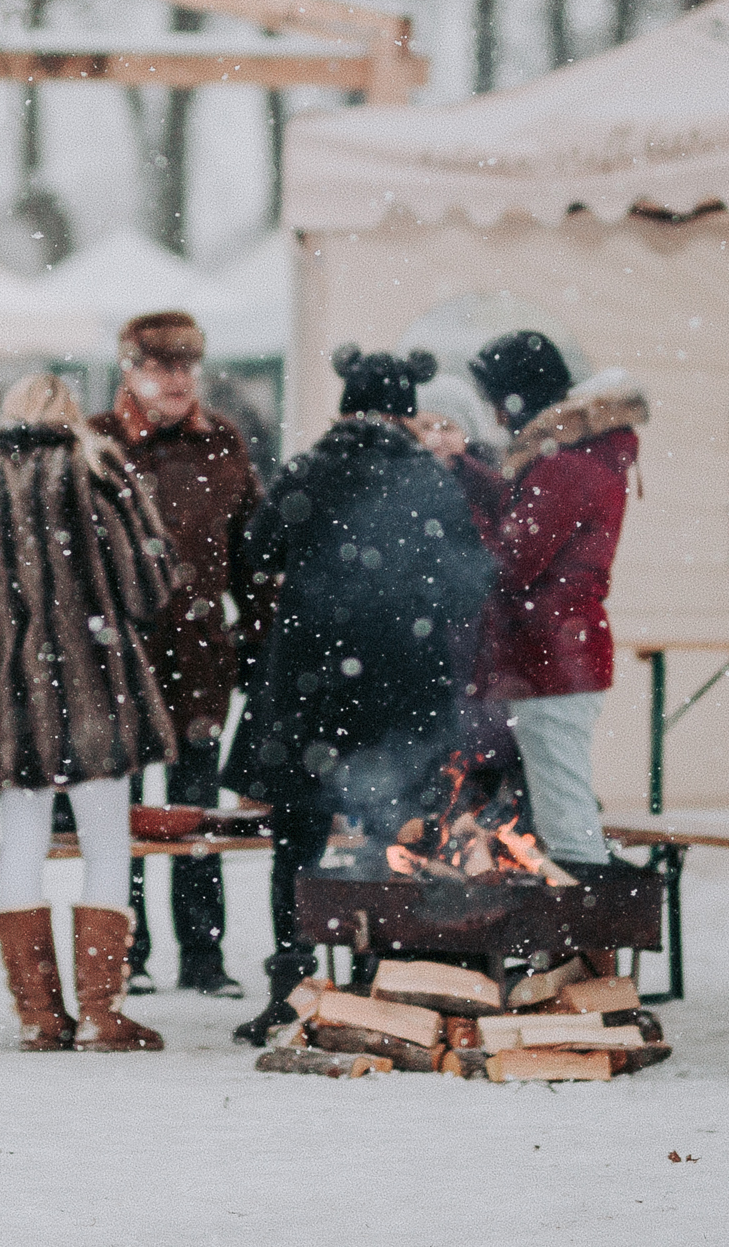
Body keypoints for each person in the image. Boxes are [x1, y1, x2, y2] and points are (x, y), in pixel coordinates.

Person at [224, 347, 494, 1046]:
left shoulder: (310, 469)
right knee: (389, 835)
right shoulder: (428, 480)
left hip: (309, 691)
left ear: (345, 405)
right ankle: (380, 985)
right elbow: (472, 581)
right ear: (408, 412)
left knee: (297, 843)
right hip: (402, 692)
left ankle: (292, 986)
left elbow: (255, 552)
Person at [0, 374, 179, 1052]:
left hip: (9, 690)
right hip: (95, 679)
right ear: (69, 415)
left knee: (23, 841)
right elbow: (150, 584)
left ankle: (40, 1015)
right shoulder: (99, 469)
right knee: (105, 843)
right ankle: (101, 1010)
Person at [89, 311, 271, 999]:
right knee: (123, 816)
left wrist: (260, 632)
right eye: (160, 367)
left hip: (199, 659)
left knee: (195, 815)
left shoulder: (222, 443)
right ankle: (126, 953)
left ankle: (202, 956)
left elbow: (252, 551)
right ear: (130, 370)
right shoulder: (99, 443)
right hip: (121, 660)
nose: (176, 381)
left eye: (186, 367)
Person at [432, 332, 645, 871]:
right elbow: (518, 512)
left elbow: (510, 561)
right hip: (559, 654)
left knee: (564, 818)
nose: (494, 418)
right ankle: (590, 923)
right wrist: (464, 470)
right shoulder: (575, 455)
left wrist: (459, 519)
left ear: (516, 398)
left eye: (495, 402)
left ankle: (589, 934)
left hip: (552, 658)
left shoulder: (566, 466)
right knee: (561, 803)